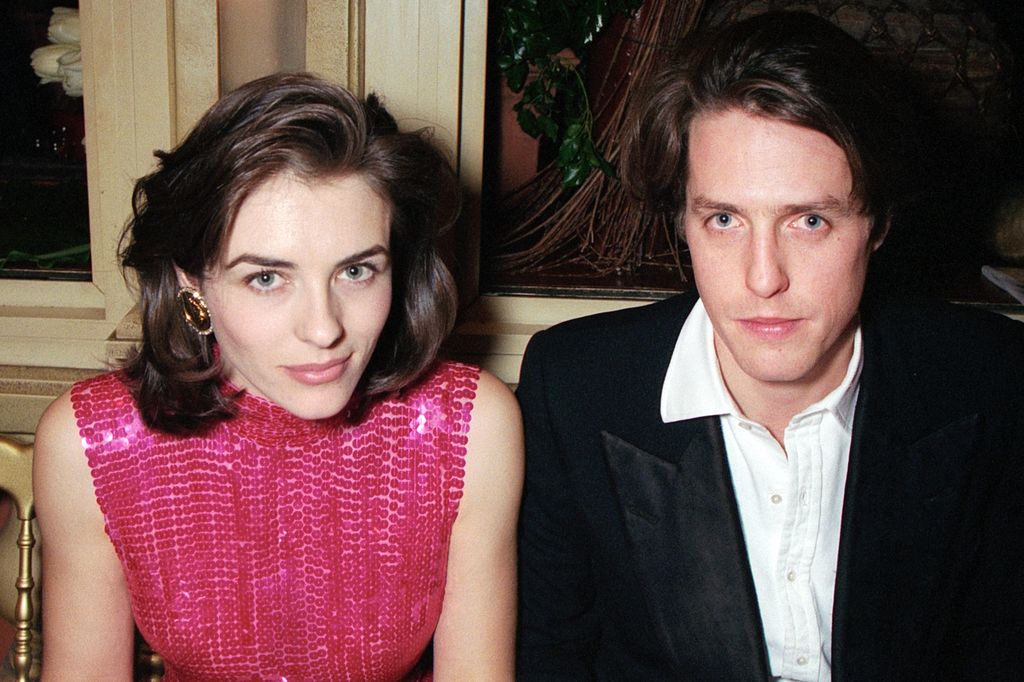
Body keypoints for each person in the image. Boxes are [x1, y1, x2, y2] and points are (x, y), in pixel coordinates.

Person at [515, 11, 1024, 680]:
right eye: (724, 220)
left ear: (878, 225)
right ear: (684, 221)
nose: (764, 278)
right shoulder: (575, 387)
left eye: (809, 221)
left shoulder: (992, 378)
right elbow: (551, 658)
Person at [33, 72, 522, 681]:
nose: (324, 329)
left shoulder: (466, 428)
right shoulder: (95, 443)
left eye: (357, 272)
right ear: (192, 284)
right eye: (266, 278)